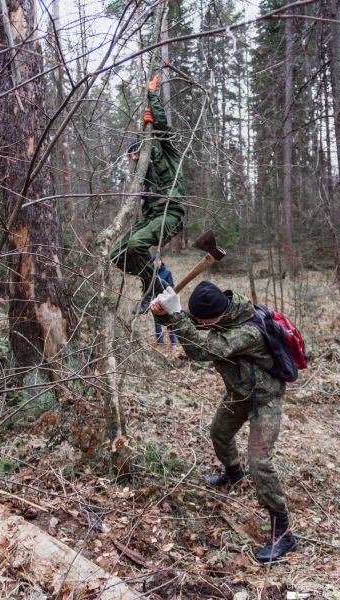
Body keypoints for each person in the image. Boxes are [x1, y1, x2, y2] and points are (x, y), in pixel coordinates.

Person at [150, 281, 297, 563]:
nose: (201, 323)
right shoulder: (220, 313)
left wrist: (177, 315)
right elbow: (192, 327)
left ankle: (283, 532)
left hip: (265, 400)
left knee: (260, 461)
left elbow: (203, 350)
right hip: (239, 394)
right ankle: (233, 474)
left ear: (216, 314)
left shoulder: (249, 331)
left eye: (204, 320)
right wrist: (163, 313)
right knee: (219, 433)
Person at [110, 74, 186, 314]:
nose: (133, 159)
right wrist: (135, 165)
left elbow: (163, 129)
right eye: (130, 157)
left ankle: (155, 287)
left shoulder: (169, 155)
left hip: (170, 213)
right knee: (117, 253)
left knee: (134, 244)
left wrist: (152, 97)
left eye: (136, 154)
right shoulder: (144, 173)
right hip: (151, 218)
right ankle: (154, 285)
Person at [151, 256, 177, 345]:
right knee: (157, 322)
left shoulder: (167, 272)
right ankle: (160, 342)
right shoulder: (151, 273)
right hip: (155, 300)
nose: (157, 262)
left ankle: (173, 343)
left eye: (159, 260)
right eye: (155, 261)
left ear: (161, 261)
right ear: (153, 262)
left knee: (170, 321)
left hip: (166, 300)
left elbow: (172, 286)